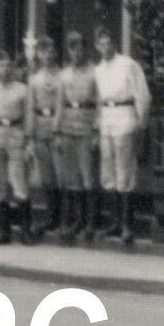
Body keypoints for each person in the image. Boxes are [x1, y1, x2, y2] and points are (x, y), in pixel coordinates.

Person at [91, 24, 152, 246]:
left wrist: (141, 124)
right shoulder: (97, 70)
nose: (105, 47)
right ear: (97, 46)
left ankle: (127, 225)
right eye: (101, 43)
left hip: (125, 117)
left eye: (109, 42)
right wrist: (96, 128)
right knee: (108, 173)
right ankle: (114, 223)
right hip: (106, 119)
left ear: (114, 43)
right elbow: (96, 102)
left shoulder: (128, 65)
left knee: (125, 171)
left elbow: (142, 96)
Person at [0, 48, 34, 246]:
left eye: (8, 64)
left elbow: (28, 117)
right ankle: (4, 232)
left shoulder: (22, 89)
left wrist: (29, 143)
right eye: (0, 65)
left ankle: (25, 231)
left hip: (16, 137)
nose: (5, 68)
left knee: (19, 184)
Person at [55, 30, 99, 244]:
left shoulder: (95, 73)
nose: (76, 52)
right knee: (71, 178)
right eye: (72, 48)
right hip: (67, 128)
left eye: (79, 47)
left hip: (87, 128)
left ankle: (90, 223)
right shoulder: (63, 75)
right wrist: (56, 132)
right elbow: (59, 104)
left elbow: (99, 103)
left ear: (85, 49)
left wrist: (97, 131)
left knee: (88, 176)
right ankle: (76, 221)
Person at [27, 36, 64, 237]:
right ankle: (52, 216)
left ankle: (65, 218)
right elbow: (31, 107)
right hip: (40, 126)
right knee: (46, 175)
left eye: (51, 51)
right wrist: (31, 135)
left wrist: (59, 129)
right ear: (39, 55)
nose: (48, 55)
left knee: (61, 173)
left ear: (55, 53)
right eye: (44, 52)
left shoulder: (63, 76)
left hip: (58, 126)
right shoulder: (34, 79)